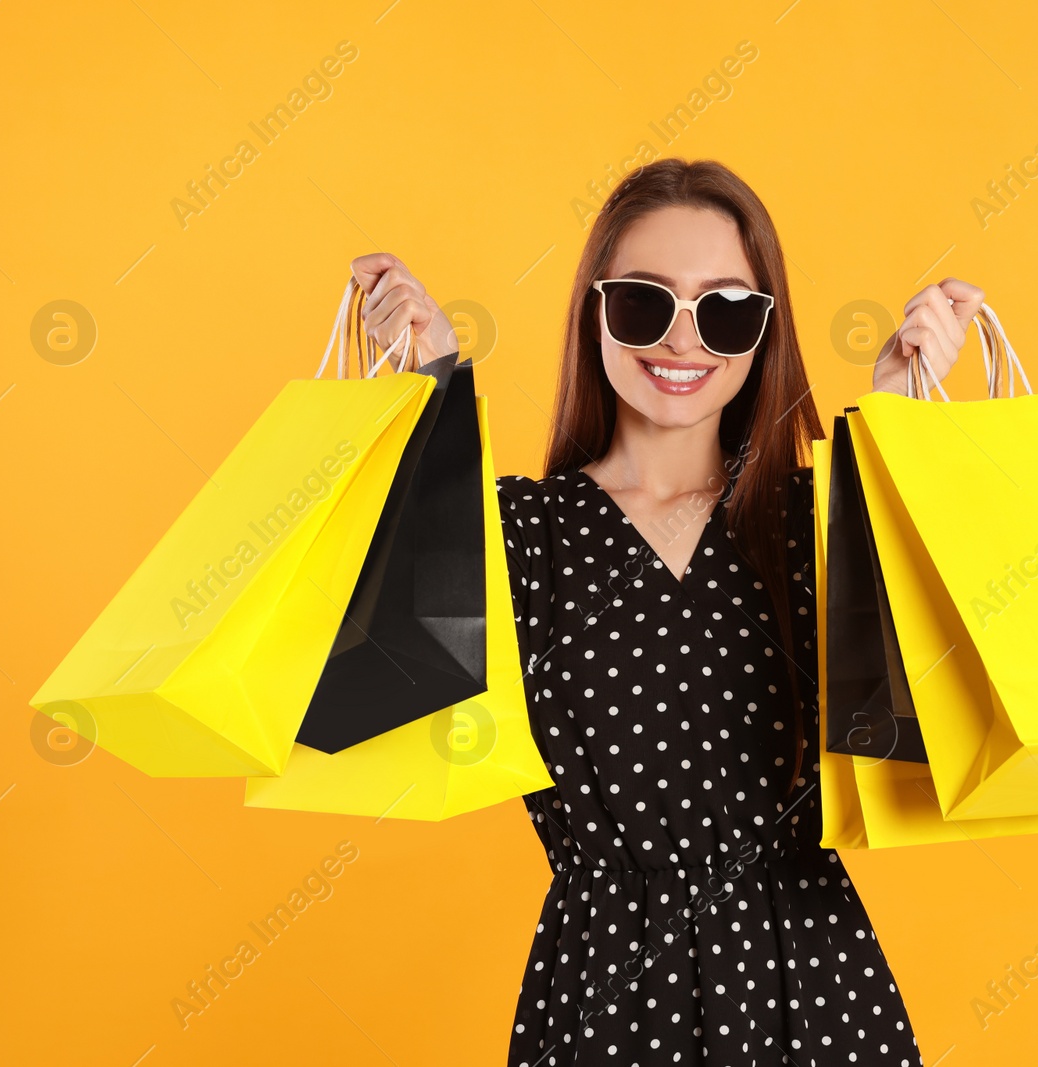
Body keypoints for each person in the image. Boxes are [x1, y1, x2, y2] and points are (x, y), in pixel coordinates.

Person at [350, 157, 984, 1066]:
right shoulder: (515, 531)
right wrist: (432, 391)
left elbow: (913, 725)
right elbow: (382, 689)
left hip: (811, 986)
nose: (683, 342)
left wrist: (897, 427)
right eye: (645, 303)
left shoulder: (816, 522)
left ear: (765, 333)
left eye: (725, 310)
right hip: (603, 992)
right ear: (595, 312)